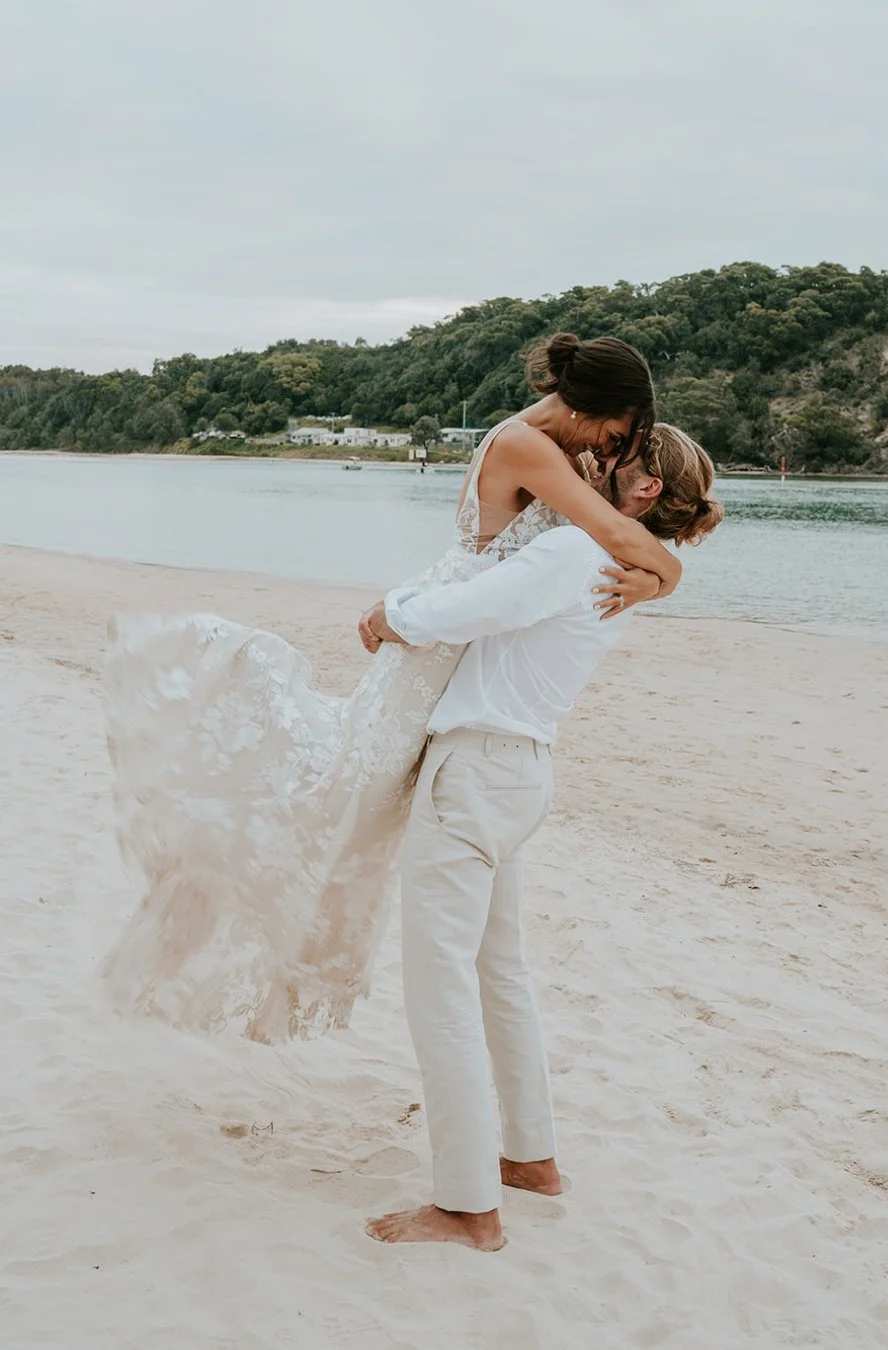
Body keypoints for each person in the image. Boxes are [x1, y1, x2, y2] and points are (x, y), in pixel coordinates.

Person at [102, 334, 679, 1043]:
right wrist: (668, 579)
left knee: (355, 806)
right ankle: (224, 912)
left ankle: (265, 969)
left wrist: (651, 579)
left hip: (449, 639)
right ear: (592, 403)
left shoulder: (549, 449)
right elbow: (616, 534)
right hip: (436, 640)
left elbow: (596, 545)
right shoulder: (526, 445)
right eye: (615, 434)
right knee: (344, 799)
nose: (608, 451)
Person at [358, 425, 722, 1250]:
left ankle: (465, 1205)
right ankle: (531, 1160)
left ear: (644, 490)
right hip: (519, 771)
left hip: (477, 771)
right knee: (499, 974)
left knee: (441, 986)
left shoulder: (575, 550)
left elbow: (468, 608)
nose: (590, 461)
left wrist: (389, 614)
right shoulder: (615, 560)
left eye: (614, 456)